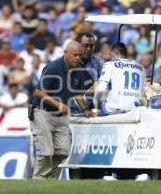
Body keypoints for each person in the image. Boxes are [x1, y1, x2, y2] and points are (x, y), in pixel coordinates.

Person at [30, 41, 92, 179]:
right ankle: (38, 181)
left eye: (80, 55)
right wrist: (57, 104)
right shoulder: (53, 67)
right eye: (75, 55)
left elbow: (77, 93)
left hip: (61, 114)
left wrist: (85, 109)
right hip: (42, 112)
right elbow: (38, 92)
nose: (78, 58)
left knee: (63, 151)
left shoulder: (79, 70)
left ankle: (51, 181)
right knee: (46, 152)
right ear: (65, 53)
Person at [94, 42, 146, 115]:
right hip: (135, 110)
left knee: (97, 86)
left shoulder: (109, 64)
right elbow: (144, 92)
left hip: (113, 110)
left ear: (112, 54)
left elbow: (101, 88)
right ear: (126, 54)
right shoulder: (140, 67)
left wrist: (95, 103)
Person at [70, 32, 103, 115]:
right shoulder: (69, 62)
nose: (89, 49)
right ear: (78, 45)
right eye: (85, 45)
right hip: (71, 108)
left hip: (91, 108)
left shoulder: (98, 63)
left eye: (91, 46)